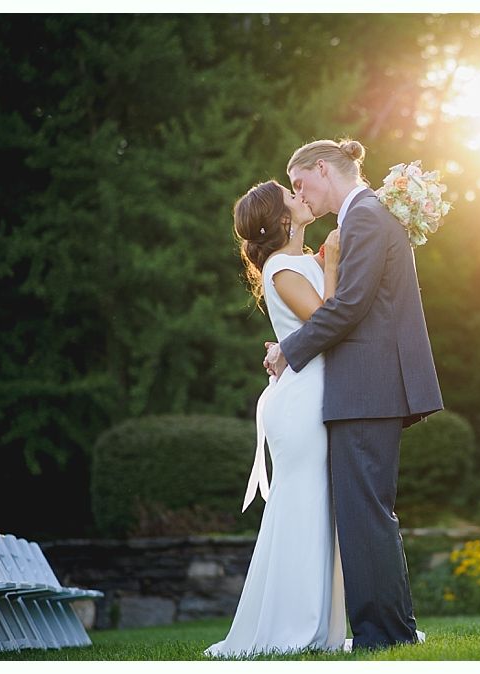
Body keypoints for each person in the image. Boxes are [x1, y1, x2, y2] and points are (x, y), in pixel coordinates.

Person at [263, 138, 443, 650]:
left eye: (300, 183)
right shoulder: (369, 213)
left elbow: (348, 307)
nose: (300, 195)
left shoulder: (363, 215)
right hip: (369, 385)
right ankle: (393, 630)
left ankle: (381, 636)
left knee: (366, 515)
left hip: (366, 385)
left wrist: (287, 351)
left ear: (323, 169)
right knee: (370, 513)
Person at [204, 181, 346, 657]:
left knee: (320, 505)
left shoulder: (299, 259)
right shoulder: (283, 267)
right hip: (304, 402)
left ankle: (321, 627)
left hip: (318, 392)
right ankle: (293, 627)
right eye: (291, 195)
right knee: (304, 504)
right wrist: (332, 264)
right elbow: (328, 320)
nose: (300, 196)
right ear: (282, 218)